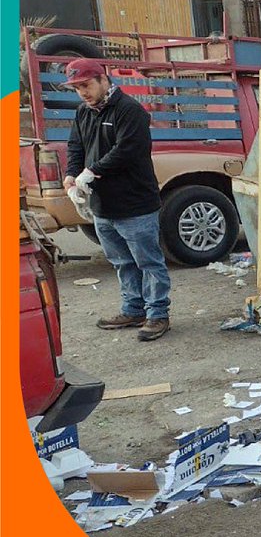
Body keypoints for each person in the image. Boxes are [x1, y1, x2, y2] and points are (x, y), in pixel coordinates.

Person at [63, 58, 171, 341]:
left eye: (86, 85)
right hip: (104, 207)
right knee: (122, 262)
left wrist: (92, 171)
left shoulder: (129, 110)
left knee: (148, 262)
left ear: (102, 79)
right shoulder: (83, 113)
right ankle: (133, 309)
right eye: (77, 88)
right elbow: (75, 146)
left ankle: (158, 314)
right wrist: (71, 176)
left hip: (135, 205)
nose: (83, 93)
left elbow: (129, 151)